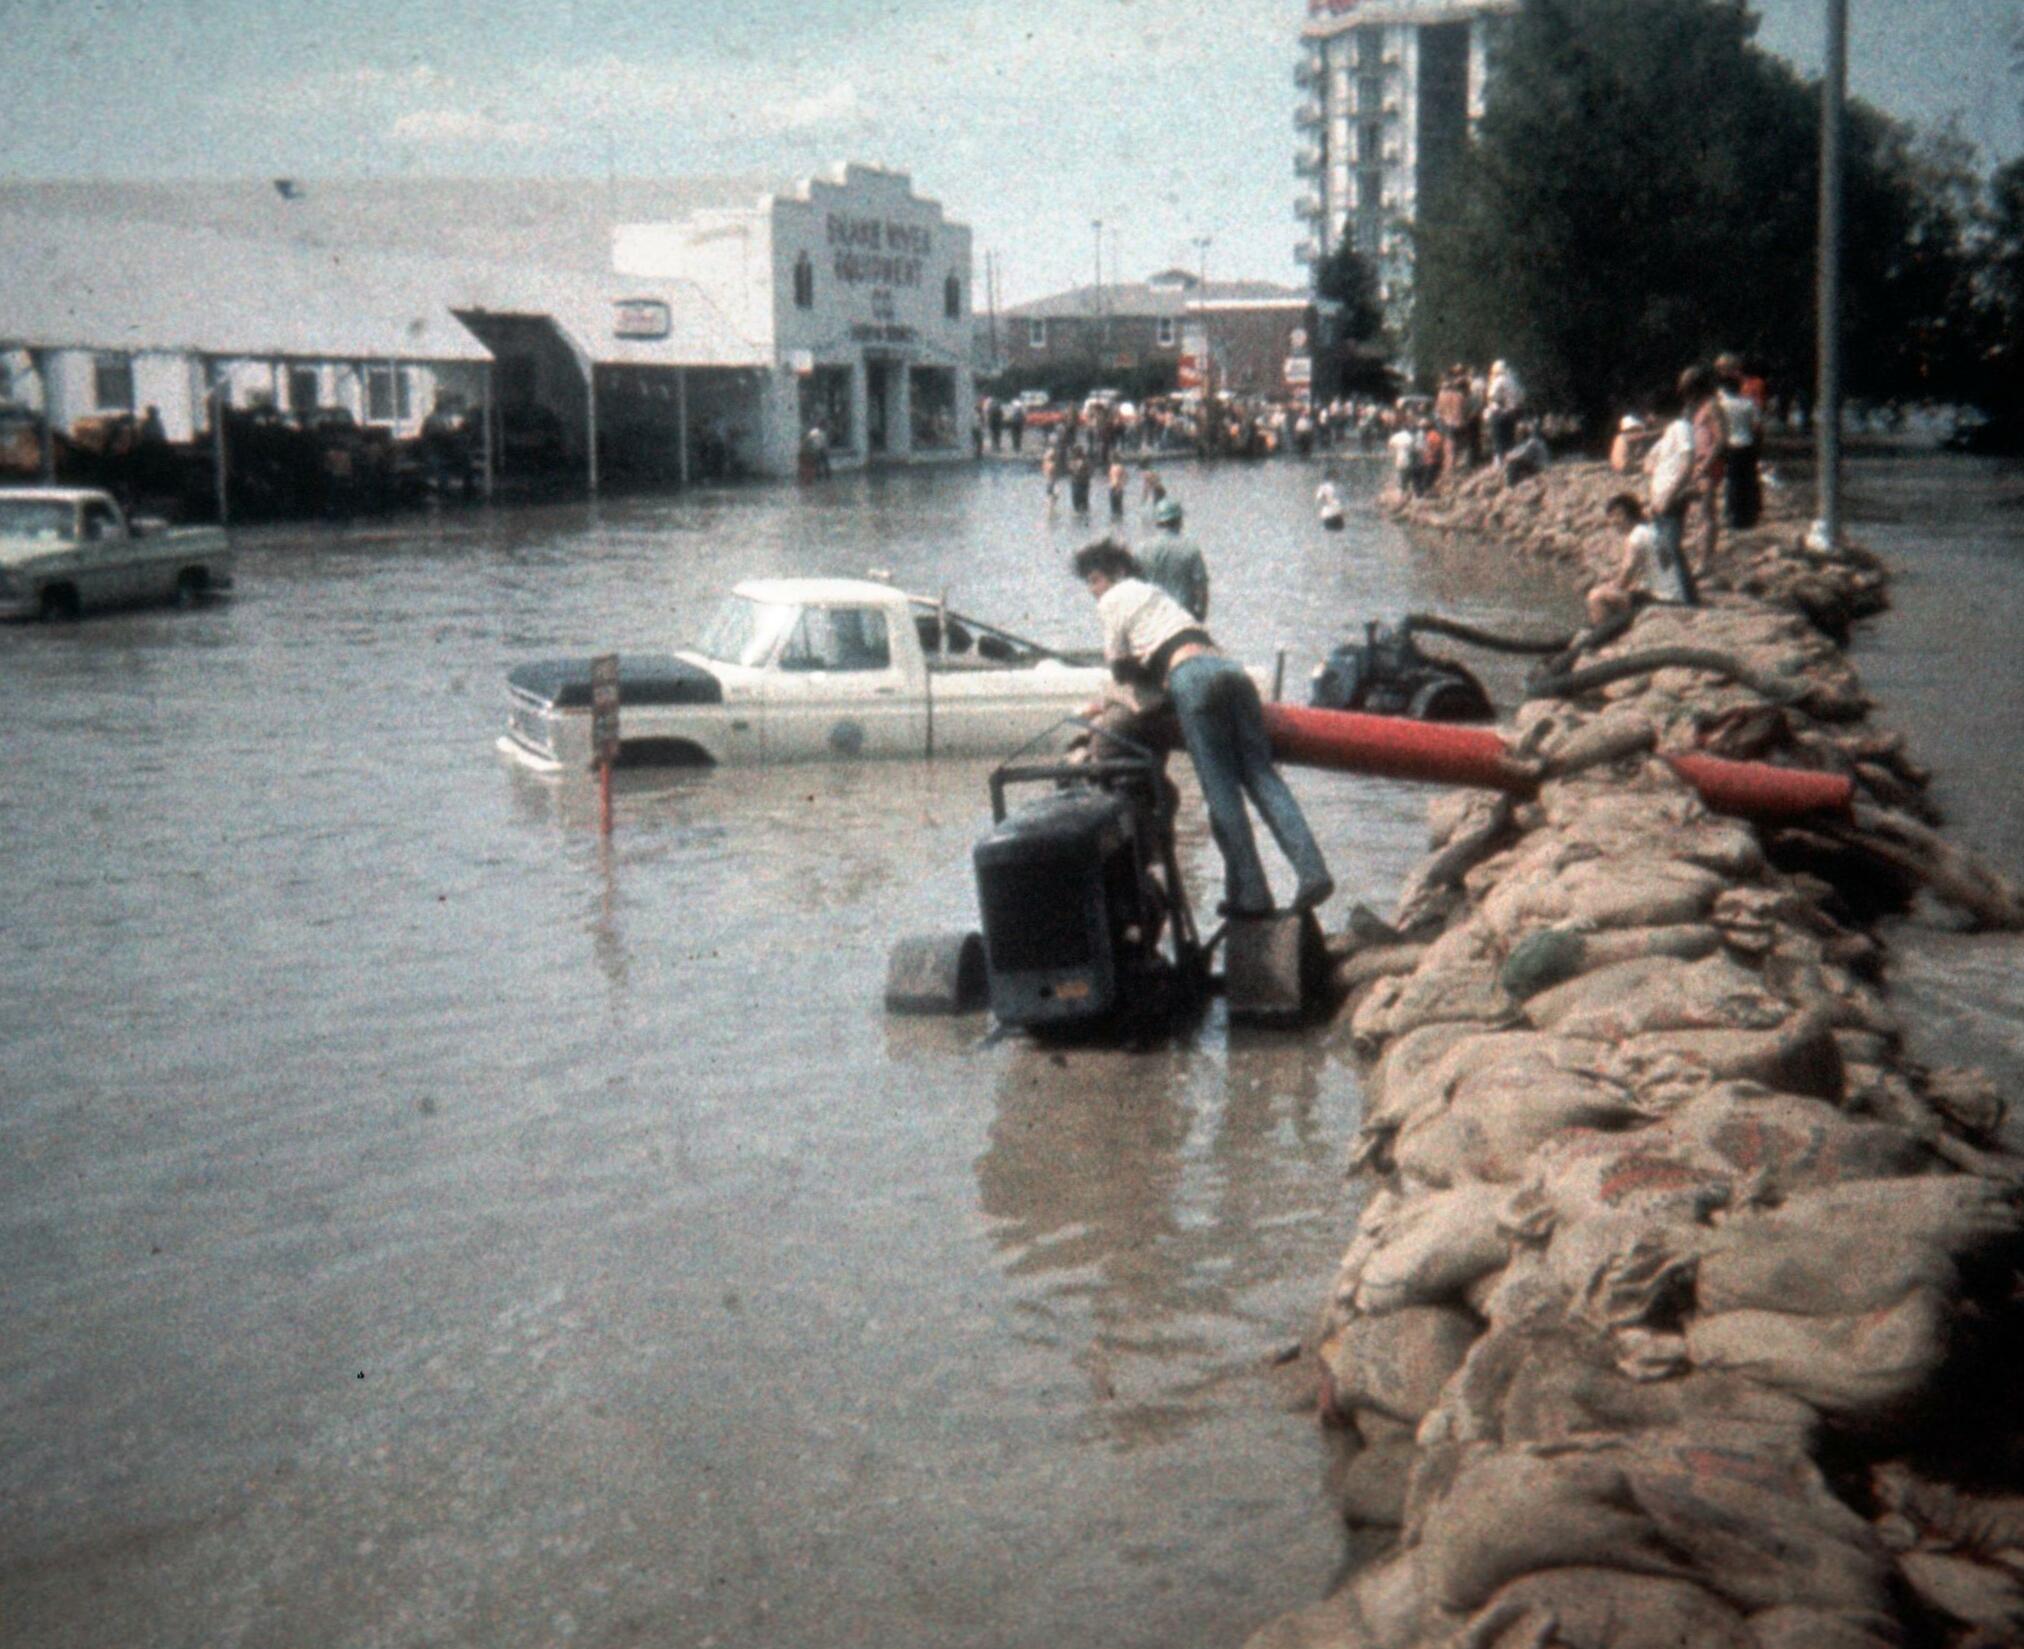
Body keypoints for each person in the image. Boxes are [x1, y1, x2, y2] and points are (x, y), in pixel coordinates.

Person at [1072, 539, 1332, 918]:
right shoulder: (1155, 594)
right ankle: (1312, 871)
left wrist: (1120, 689)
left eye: (1095, 579)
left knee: (1221, 791)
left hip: (1191, 678)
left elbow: (1119, 668)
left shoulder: (1113, 598)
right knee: (1261, 776)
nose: (1093, 590)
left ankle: (1253, 895)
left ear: (1117, 573)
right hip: (1231, 671)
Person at [1587, 491, 1687, 622]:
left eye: (1614, 517)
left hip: (1663, 600)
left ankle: (1602, 630)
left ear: (1623, 515)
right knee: (1622, 593)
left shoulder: (1636, 536)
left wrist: (1612, 587)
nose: (1612, 522)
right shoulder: (1653, 530)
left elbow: (1628, 571)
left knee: (1596, 596)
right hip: (1675, 595)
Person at [1643, 401, 1702, 607]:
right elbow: (1649, 464)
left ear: (1656, 413)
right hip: (1662, 495)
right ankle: (1675, 593)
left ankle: (1686, 597)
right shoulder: (1669, 433)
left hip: (1672, 495)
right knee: (1664, 546)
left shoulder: (1681, 427)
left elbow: (1688, 461)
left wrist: (1670, 493)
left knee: (1670, 546)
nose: (1649, 419)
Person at [1138, 497, 1209, 619]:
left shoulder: (1142, 549)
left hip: (1153, 614)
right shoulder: (1190, 549)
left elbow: (1135, 584)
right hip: (1182, 614)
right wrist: (1201, 615)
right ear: (1179, 521)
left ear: (1158, 523)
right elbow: (1201, 586)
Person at [1715, 354, 1761, 529]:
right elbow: (1756, 426)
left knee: (1732, 481)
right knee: (1748, 479)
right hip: (1747, 444)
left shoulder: (1721, 404)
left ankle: (1733, 514)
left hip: (1730, 445)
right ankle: (1748, 515)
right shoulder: (1749, 403)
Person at [1485, 359, 1524, 466]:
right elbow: (1522, 396)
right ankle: (1511, 459)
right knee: (1509, 435)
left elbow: (1492, 396)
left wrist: (1500, 404)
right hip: (1514, 411)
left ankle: (1499, 459)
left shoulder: (1499, 380)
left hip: (1501, 412)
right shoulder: (1514, 379)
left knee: (1498, 436)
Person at [1501, 420, 1549, 486]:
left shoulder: (1532, 441)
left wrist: (1510, 456)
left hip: (1540, 466)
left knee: (1514, 463)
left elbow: (1523, 454)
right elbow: (1517, 452)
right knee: (1512, 462)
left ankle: (1512, 484)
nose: (1517, 435)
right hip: (1536, 464)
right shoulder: (1527, 442)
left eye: (1519, 433)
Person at [1107, 456, 1127, 521]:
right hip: (1114, 488)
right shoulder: (1113, 467)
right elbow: (1125, 478)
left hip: (1116, 488)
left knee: (1116, 509)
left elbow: (1124, 478)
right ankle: (1117, 523)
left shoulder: (1117, 467)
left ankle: (1117, 523)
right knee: (1115, 509)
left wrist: (1120, 486)